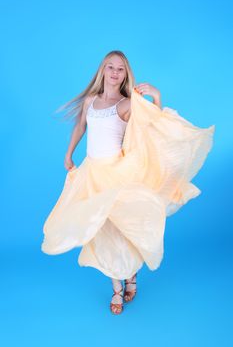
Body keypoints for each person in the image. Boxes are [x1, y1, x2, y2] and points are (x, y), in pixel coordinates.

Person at [41, 50, 215, 315]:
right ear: (102, 70)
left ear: (125, 74)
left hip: (119, 173)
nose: (114, 72)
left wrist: (156, 96)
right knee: (102, 230)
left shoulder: (127, 104)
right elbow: (80, 127)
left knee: (124, 229)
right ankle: (117, 289)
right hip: (93, 174)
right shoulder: (91, 101)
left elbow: (154, 126)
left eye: (119, 69)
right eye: (109, 67)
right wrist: (68, 154)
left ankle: (130, 275)